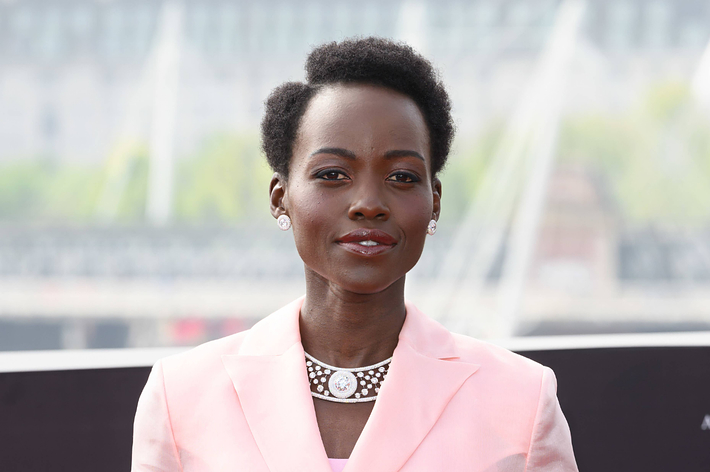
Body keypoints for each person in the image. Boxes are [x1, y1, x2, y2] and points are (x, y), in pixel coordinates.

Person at [131, 37, 578, 472]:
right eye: (332, 174)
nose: (369, 202)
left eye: (402, 177)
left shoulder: (521, 401)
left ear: (434, 201)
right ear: (280, 197)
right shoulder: (180, 398)